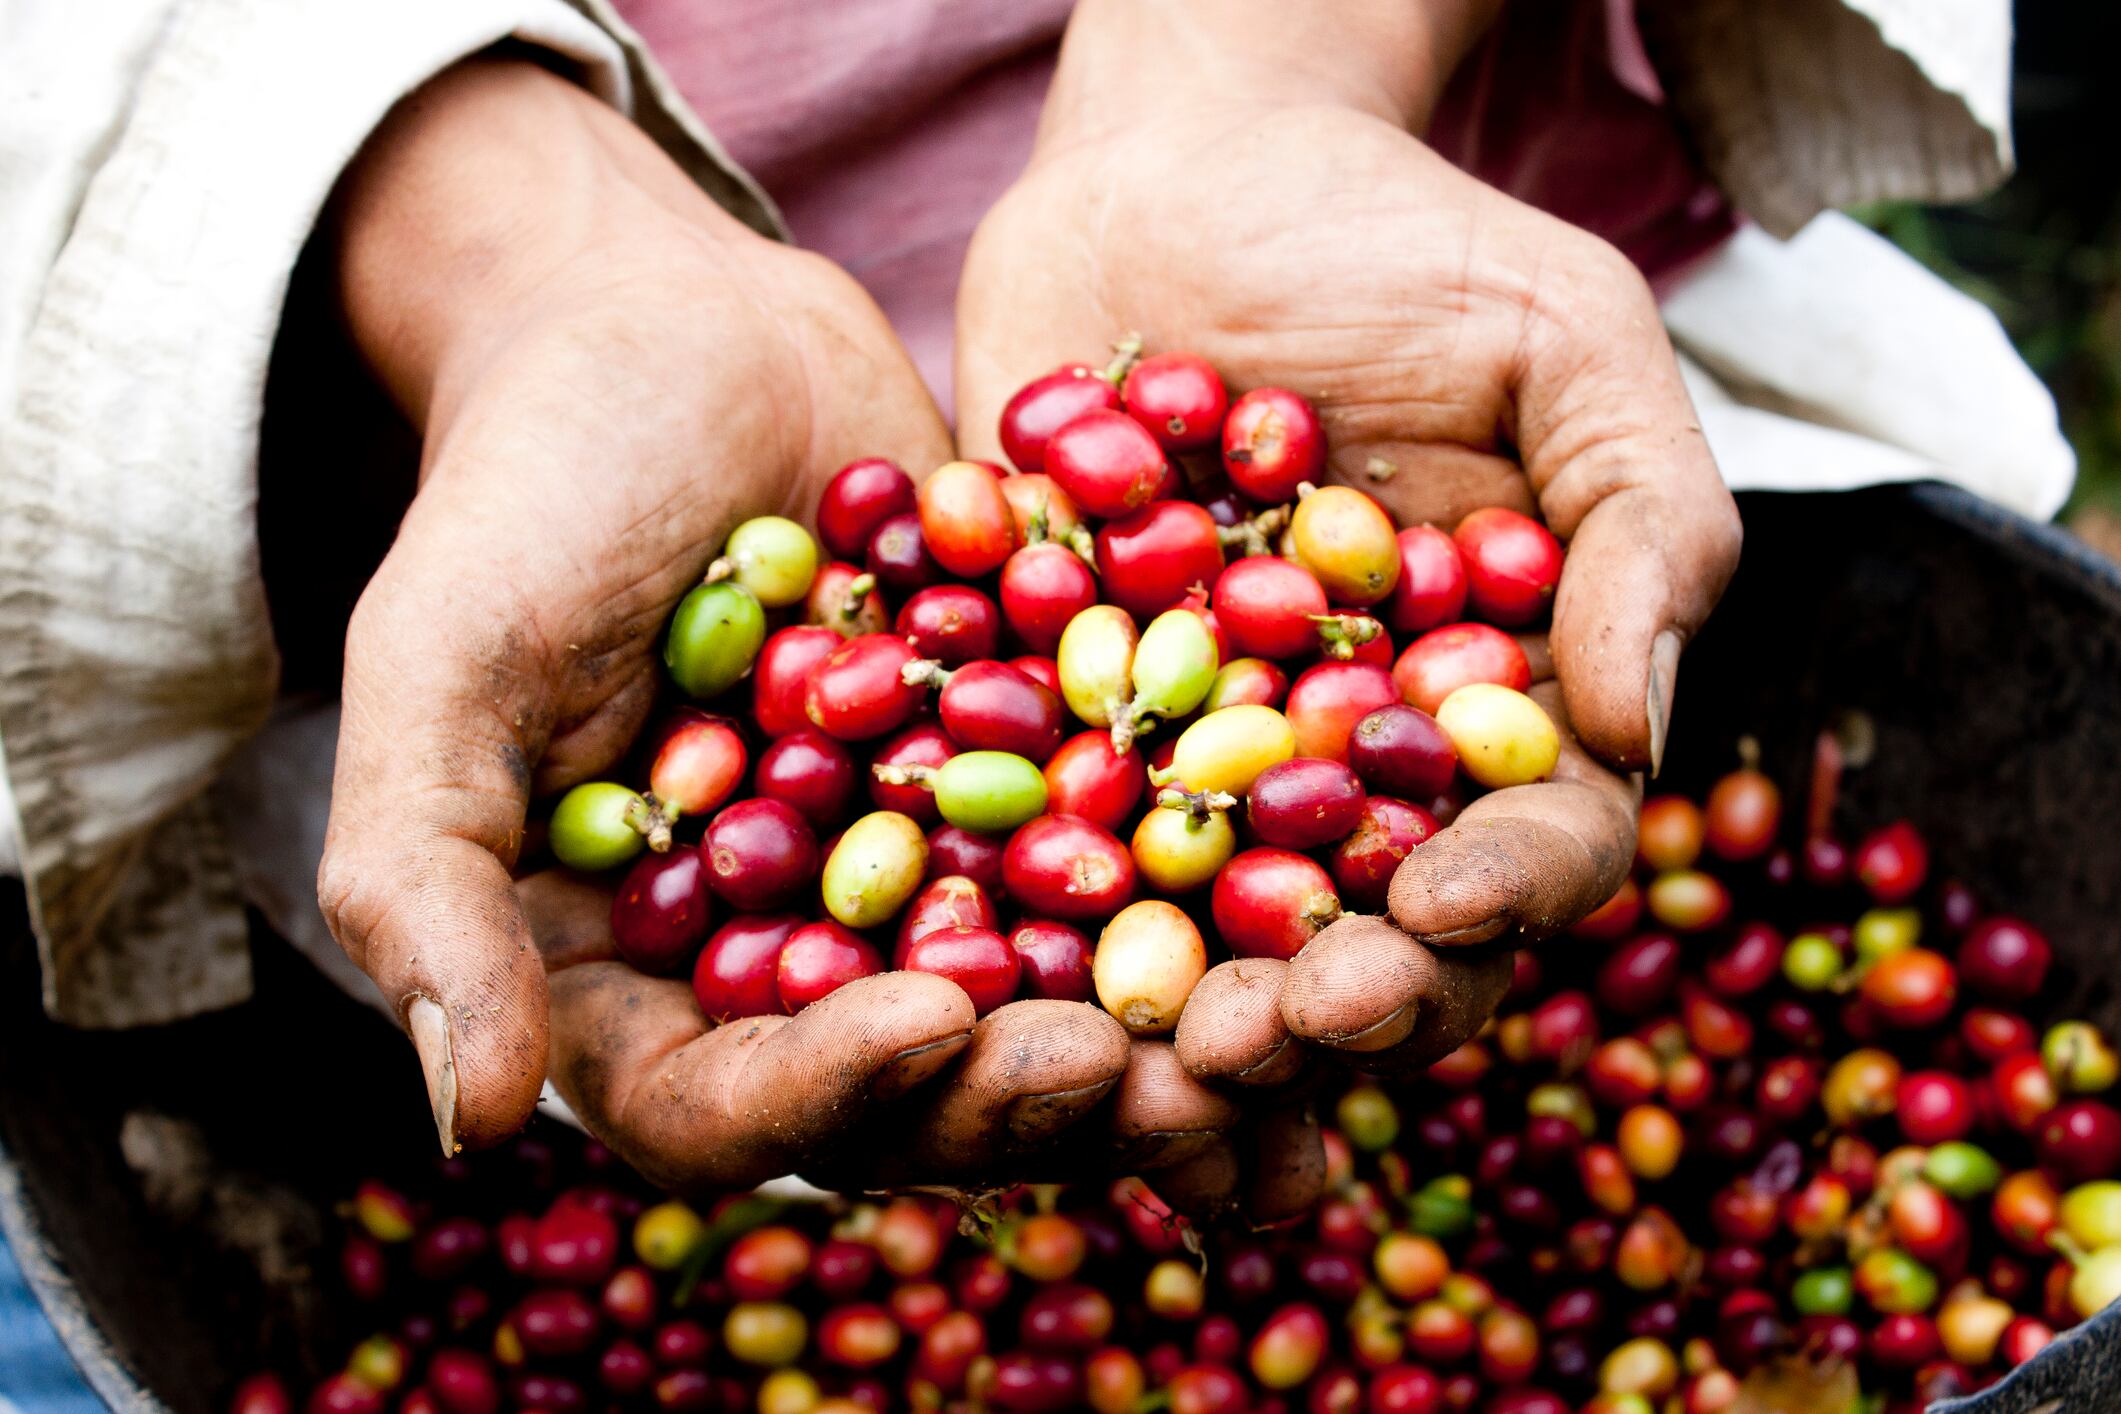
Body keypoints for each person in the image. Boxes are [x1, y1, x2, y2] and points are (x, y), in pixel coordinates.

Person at [0, 0, 2069, 1231]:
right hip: (350, 422)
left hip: (1385, 231)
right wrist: (501, 246)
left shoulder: (1132, 654)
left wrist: (1257, 72)